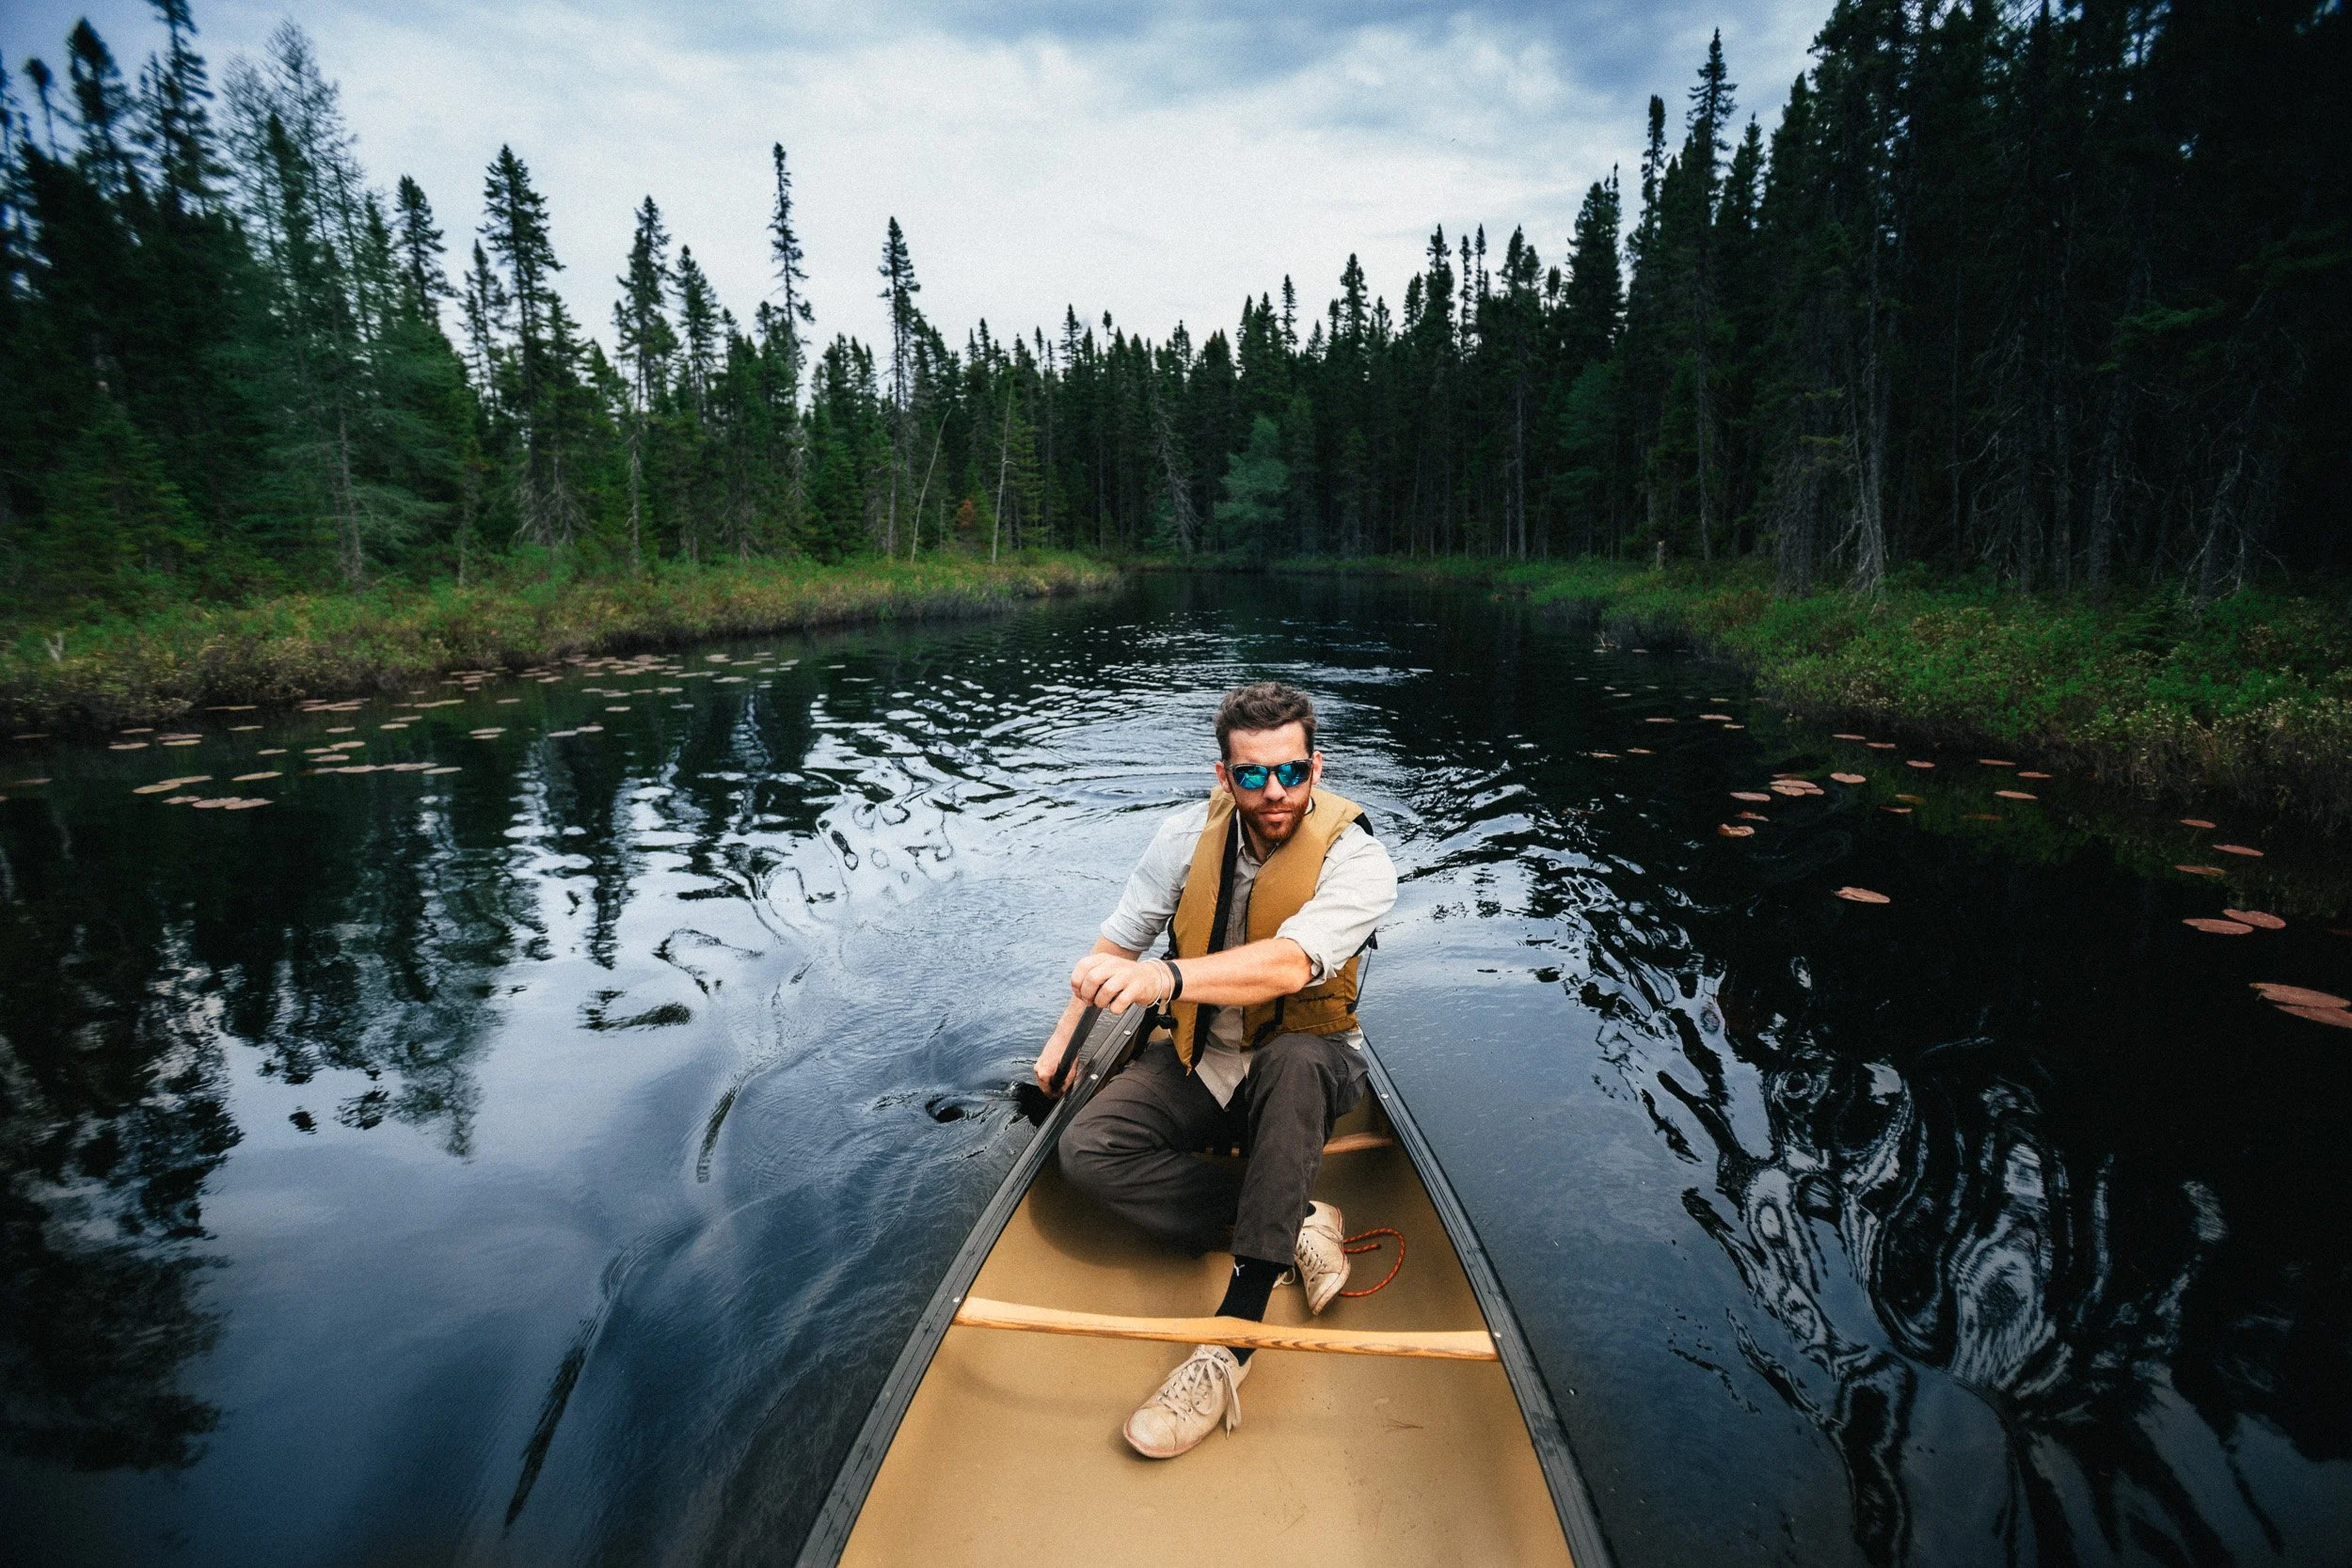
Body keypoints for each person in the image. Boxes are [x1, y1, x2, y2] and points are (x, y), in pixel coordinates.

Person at [1030, 681, 1398, 1460]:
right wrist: (1061, 1049)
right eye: (1254, 774)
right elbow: (1112, 950)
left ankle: (1232, 1339)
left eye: (1292, 772)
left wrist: (1169, 979)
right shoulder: (1182, 838)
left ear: (1316, 765)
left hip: (1309, 1064)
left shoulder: (1359, 860)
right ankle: (1293, 1213)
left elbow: (1289, 963)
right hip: (1206, 1058)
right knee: (1086, 1149)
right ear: (1224, 776)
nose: (1276, 792)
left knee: (1296, 1060)